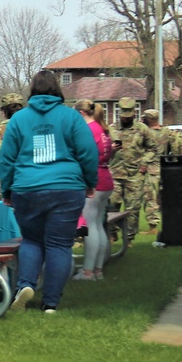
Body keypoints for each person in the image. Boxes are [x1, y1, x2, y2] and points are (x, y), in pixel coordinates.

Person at [0, 71, 98, 313]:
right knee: (59, 245)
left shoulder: (19, 119)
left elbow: (7, 159)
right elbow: (87, 152)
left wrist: (7, 190)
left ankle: (25, 285)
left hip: (27, 187)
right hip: (66, 187)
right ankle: (51, 303)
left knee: (32, 240)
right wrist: (90, 182)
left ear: (32, 90)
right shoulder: (71, 117)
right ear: (57, 89)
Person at [72, 100, 114, 281]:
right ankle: (98, 270)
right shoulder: (102, 129)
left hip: (93, 180)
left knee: (89, 227)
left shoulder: (88, 130)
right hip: (105, 178)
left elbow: (82, 155)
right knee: (97, 225)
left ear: (81, 113)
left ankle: (87, 272)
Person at [108, 97, 158, 241]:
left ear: (134, 113)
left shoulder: (142, 129)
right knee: (111, 205)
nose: (126, 118)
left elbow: (153, 148)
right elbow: (103, 150)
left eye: (128, 116)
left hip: (134, 174)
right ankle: (112, 233)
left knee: (132, 209)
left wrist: (144, 162)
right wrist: (111, 150)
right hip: (115, 174)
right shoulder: (112, 128)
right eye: (123, 116)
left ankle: (128, 238)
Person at [140, 109, 165, 235]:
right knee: (160, 198)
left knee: (150, 198)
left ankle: (153, 227)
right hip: (164, 169)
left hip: (150, 169)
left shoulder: (147, 133)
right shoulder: (166, 131)